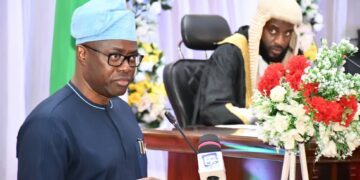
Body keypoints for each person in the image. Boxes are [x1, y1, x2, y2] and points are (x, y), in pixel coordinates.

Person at [16, 0, 148, 179]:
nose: (126, 67)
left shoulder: (123, 110)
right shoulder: (48, 124)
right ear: (82, 54)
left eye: (132, 57)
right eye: (115, 56)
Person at [192, 0, 303, 126]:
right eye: (272, 31)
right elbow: (212, 110)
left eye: (287, 33)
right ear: (259, 27)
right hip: (229, 142)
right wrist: (259, 117)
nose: (280, 41)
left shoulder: (290, 56)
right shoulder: (229, 52)